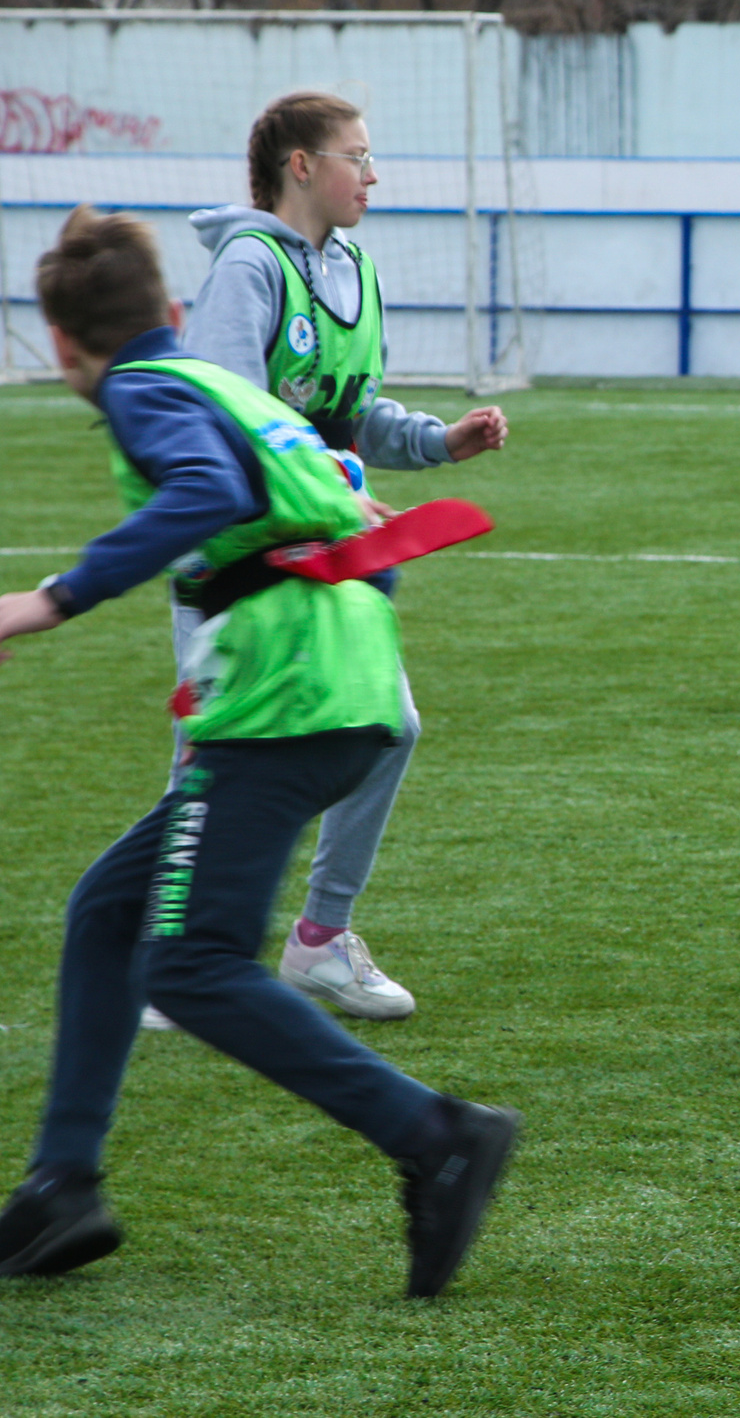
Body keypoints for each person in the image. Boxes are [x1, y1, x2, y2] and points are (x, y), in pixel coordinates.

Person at [0, 209, 517, 1294]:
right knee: (107, 913)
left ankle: (437, 1135)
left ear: (59, 343)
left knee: (192, 966)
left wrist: (50, 600)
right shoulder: (217, 384)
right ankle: (62, 1185)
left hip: (287, 698)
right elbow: (337, 508)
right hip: (340, 683)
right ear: (173, 312)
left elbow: (210, 494)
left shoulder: (145, 393)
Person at [155, 91, 510, 1025]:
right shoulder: (249, 267)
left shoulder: (354, 267)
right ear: (301, 166)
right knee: (207, 760)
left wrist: (441, 441)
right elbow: (230, 419)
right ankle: (167, 956)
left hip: (323, 558)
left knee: (387, 726)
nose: (373, 171)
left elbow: (347, 416)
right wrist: (330, 486)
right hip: (239, 556)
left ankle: (318, 941)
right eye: (356, 154)